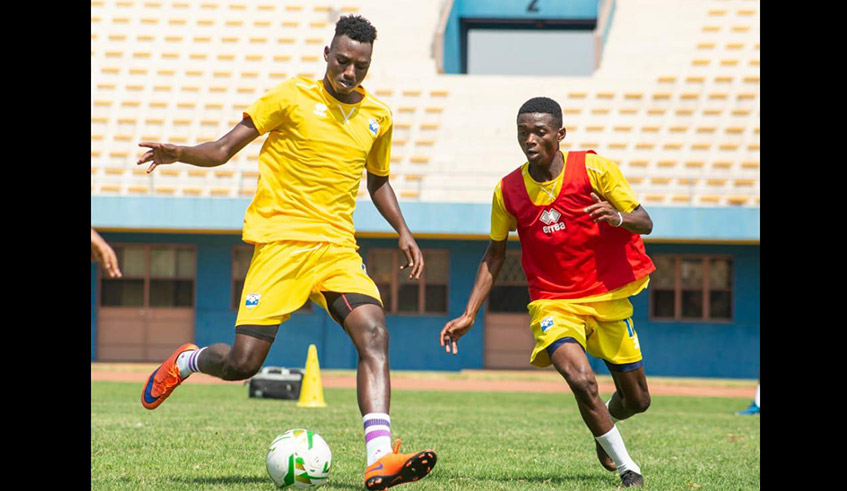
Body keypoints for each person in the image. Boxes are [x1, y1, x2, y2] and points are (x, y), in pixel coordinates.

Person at [135, 15, 436, 490]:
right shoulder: (289, 97)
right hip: (280, 246)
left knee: (374, 333)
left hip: (336, 248)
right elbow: (222, 148)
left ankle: (379, 457)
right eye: (342, 61)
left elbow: (377, 181)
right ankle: (187, 361)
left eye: (361, 65)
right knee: (242, 364)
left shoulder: (379, 116)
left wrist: (403, 230)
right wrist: (180, 153)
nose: (350, 72)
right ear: (327, 55)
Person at [440, 97, 655, 487]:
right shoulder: (507, 190)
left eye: (539, 131)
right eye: (523, 132)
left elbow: (645, 221)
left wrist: (617, 216)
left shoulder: (594, 169)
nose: (530, 139)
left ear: (560, 134)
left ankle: (606, 417)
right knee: (581, 380)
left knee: (638, 400)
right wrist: (470, 312)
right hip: (552, 302)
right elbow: (494, 254)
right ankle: (628, 469)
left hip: (606, 298)